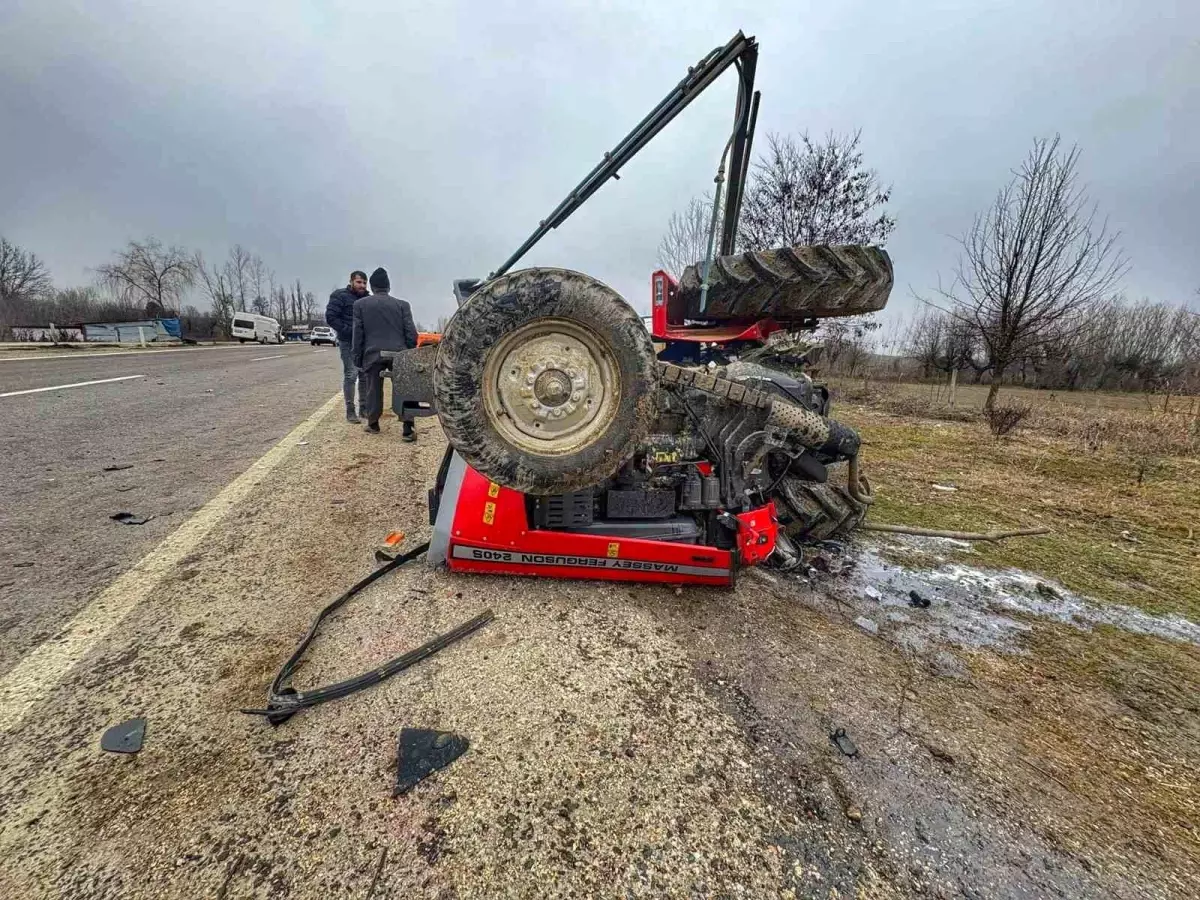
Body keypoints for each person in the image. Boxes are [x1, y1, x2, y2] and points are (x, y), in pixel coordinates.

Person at [352, 267, 418, 438]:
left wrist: (357, 358)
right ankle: (408, 428)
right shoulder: (402, 305)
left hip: (373, 353)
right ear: (388, 287)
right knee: (404, 388)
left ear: (372, 287)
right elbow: (411, 333)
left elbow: (358, 334)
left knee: (373, 388)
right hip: (399, 353)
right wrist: (408, 354)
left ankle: (373, 424)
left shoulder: (360, 305)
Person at [325, 270, 369, 423]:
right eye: (359, 282)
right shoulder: (340, 296)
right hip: (347, 341)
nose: (362, 285)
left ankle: (364, 408)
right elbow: (331, 317)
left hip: (364, 343)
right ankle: (350, 411)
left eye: (364, 282)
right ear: (351, 281)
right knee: (351, 374)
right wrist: (348, 331)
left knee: (364, 375)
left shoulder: (367, 299)